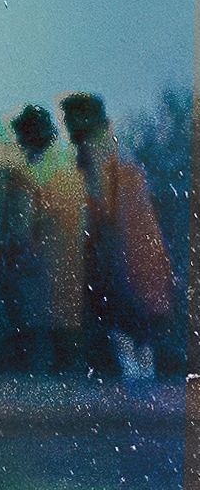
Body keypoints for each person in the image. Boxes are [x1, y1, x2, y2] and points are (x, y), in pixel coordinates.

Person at [59, 93, 172, 379]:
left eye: (72, 120)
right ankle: (138, 374)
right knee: (129, 319)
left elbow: (107, 209)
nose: (69, 129)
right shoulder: (112, 155)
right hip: (122, 252)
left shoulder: (107, 159)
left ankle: (135, 374)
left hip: (118, 253)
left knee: (122, 316)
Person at [0, 104, 86, 371]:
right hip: (51, 276)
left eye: (23, 138)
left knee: (56, 349)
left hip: (55, 275)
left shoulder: (52, 170)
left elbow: (42, 223)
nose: (20, 146)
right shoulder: (53, 165)